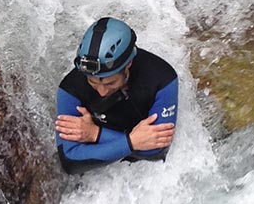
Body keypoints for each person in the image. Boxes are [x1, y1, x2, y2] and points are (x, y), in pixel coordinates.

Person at [55, 17, 178, 175]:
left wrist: (95, 134)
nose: (102, 91)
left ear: (128, 65)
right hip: (100, 173)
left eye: (110, 83)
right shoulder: (70, 89)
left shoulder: (161, 77)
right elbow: (69, 162)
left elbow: (156, 151)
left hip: (146, 173)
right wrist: (132, 142)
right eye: (92, 82)